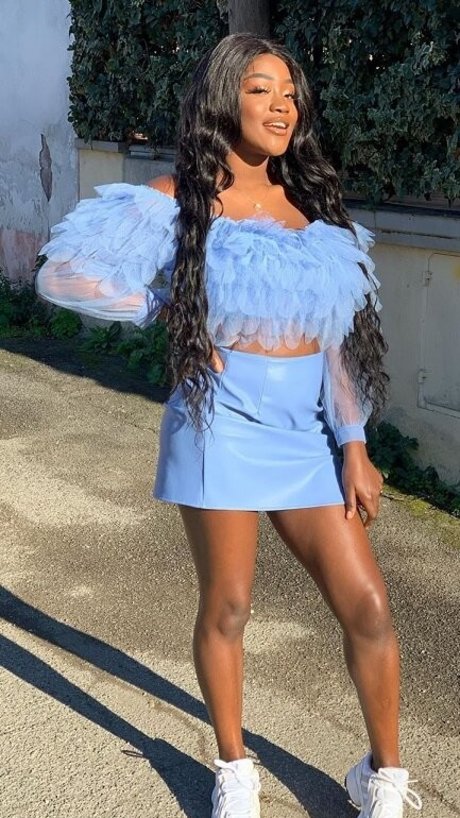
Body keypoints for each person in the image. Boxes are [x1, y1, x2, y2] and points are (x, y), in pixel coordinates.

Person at [35, 32, 423, 818]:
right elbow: (63, 276)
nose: (281, 107)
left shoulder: (312, 205)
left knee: (369, 607)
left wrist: (354, 444)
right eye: (260, 90)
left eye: (290, 94)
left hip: (307, 436)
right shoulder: (180, 198)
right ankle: (235, 766)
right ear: (224, 99)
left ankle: (382, 777)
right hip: (220, 422)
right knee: (229, 606)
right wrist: (171, 309)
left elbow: (335, 343)